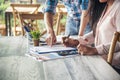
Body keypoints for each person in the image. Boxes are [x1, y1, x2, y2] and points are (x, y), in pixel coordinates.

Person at [62, 0, 120, 74]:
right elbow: (97, 32)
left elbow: (119, 42)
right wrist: (77, 41)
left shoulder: (118, 8)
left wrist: (95, 50)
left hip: (114, 67)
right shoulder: (106, 6)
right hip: (103, 62)